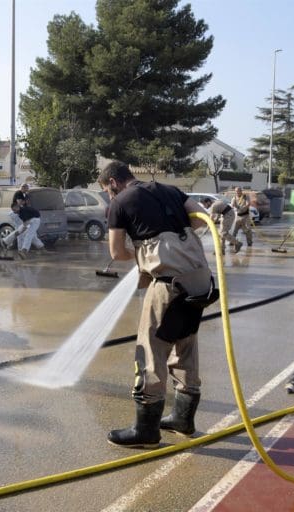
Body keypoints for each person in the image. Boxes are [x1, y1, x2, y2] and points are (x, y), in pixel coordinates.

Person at [99, 160, 213, 448]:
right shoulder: (171, 190)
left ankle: (146, 431)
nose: (109, 196)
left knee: (150, 351)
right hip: (199, 280)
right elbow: (202, 219)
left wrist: (140, 248)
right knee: (184, 343)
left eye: (106, 190)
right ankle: (183, 420)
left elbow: (117, 251)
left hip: (168, 283)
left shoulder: (120, 202)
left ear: (112, 183)